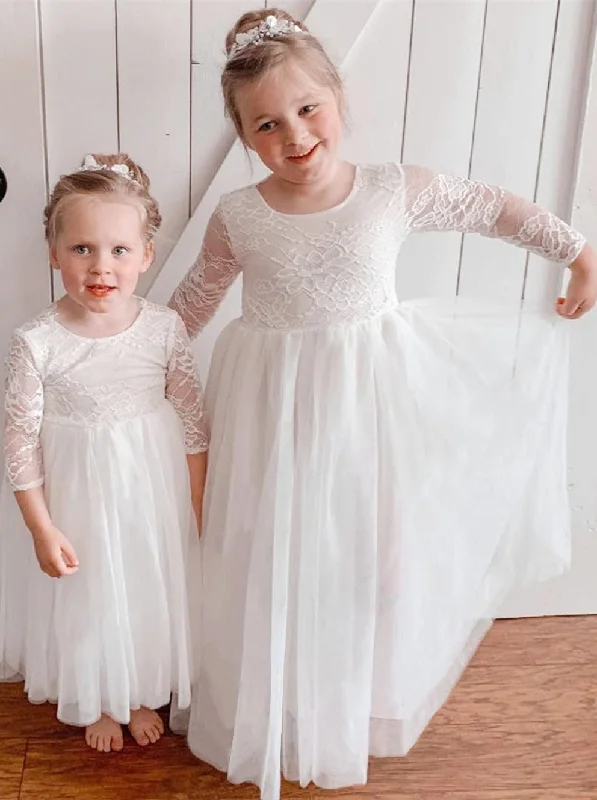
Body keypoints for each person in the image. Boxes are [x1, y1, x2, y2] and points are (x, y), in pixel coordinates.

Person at [169, 9, 597, 797]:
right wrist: (135, 356)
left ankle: (347, 698)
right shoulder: (239, 215)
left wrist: (576, 253)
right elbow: (194, 299)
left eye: (306, 109)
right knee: (269, 545)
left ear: (338, 96)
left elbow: (492, 208)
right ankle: (273, 700)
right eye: (266, 123)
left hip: (368, 403)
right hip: (269, 408)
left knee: (367, 552)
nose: (293, 134)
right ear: (242, 134)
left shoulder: (392, 190)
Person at [0, 154, 207, 753]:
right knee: (90, 594)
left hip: (152, 486)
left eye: (119, 251)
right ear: (53, 251)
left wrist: (195, 501)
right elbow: (18, 440)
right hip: (77, 494)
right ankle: (97, 698)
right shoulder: (36, 341)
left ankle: (141, 690)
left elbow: (192, 420)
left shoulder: (163, 328)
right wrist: (41, 527)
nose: (100, 267)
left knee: (145, 586)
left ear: (145, 255)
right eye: (82, 249)